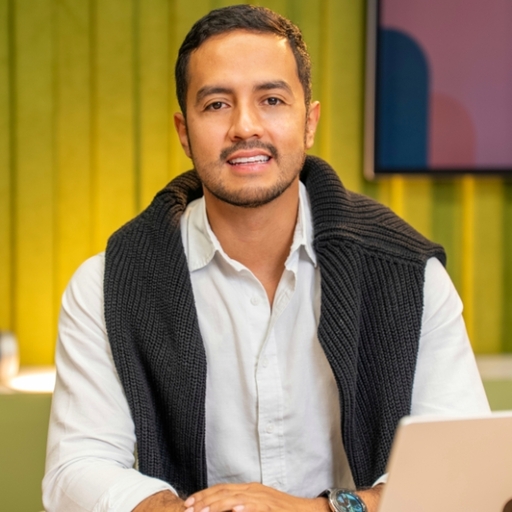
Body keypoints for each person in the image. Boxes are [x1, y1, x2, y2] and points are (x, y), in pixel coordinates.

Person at [43, 5, 489, 512]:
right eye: (216, 104)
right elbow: (77, 466)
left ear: (309, 122)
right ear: (184, 132)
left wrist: (315, 510)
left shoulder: (409, 273)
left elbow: (463, 475)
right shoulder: (107, 284)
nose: (245, 126)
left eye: (272, 100)